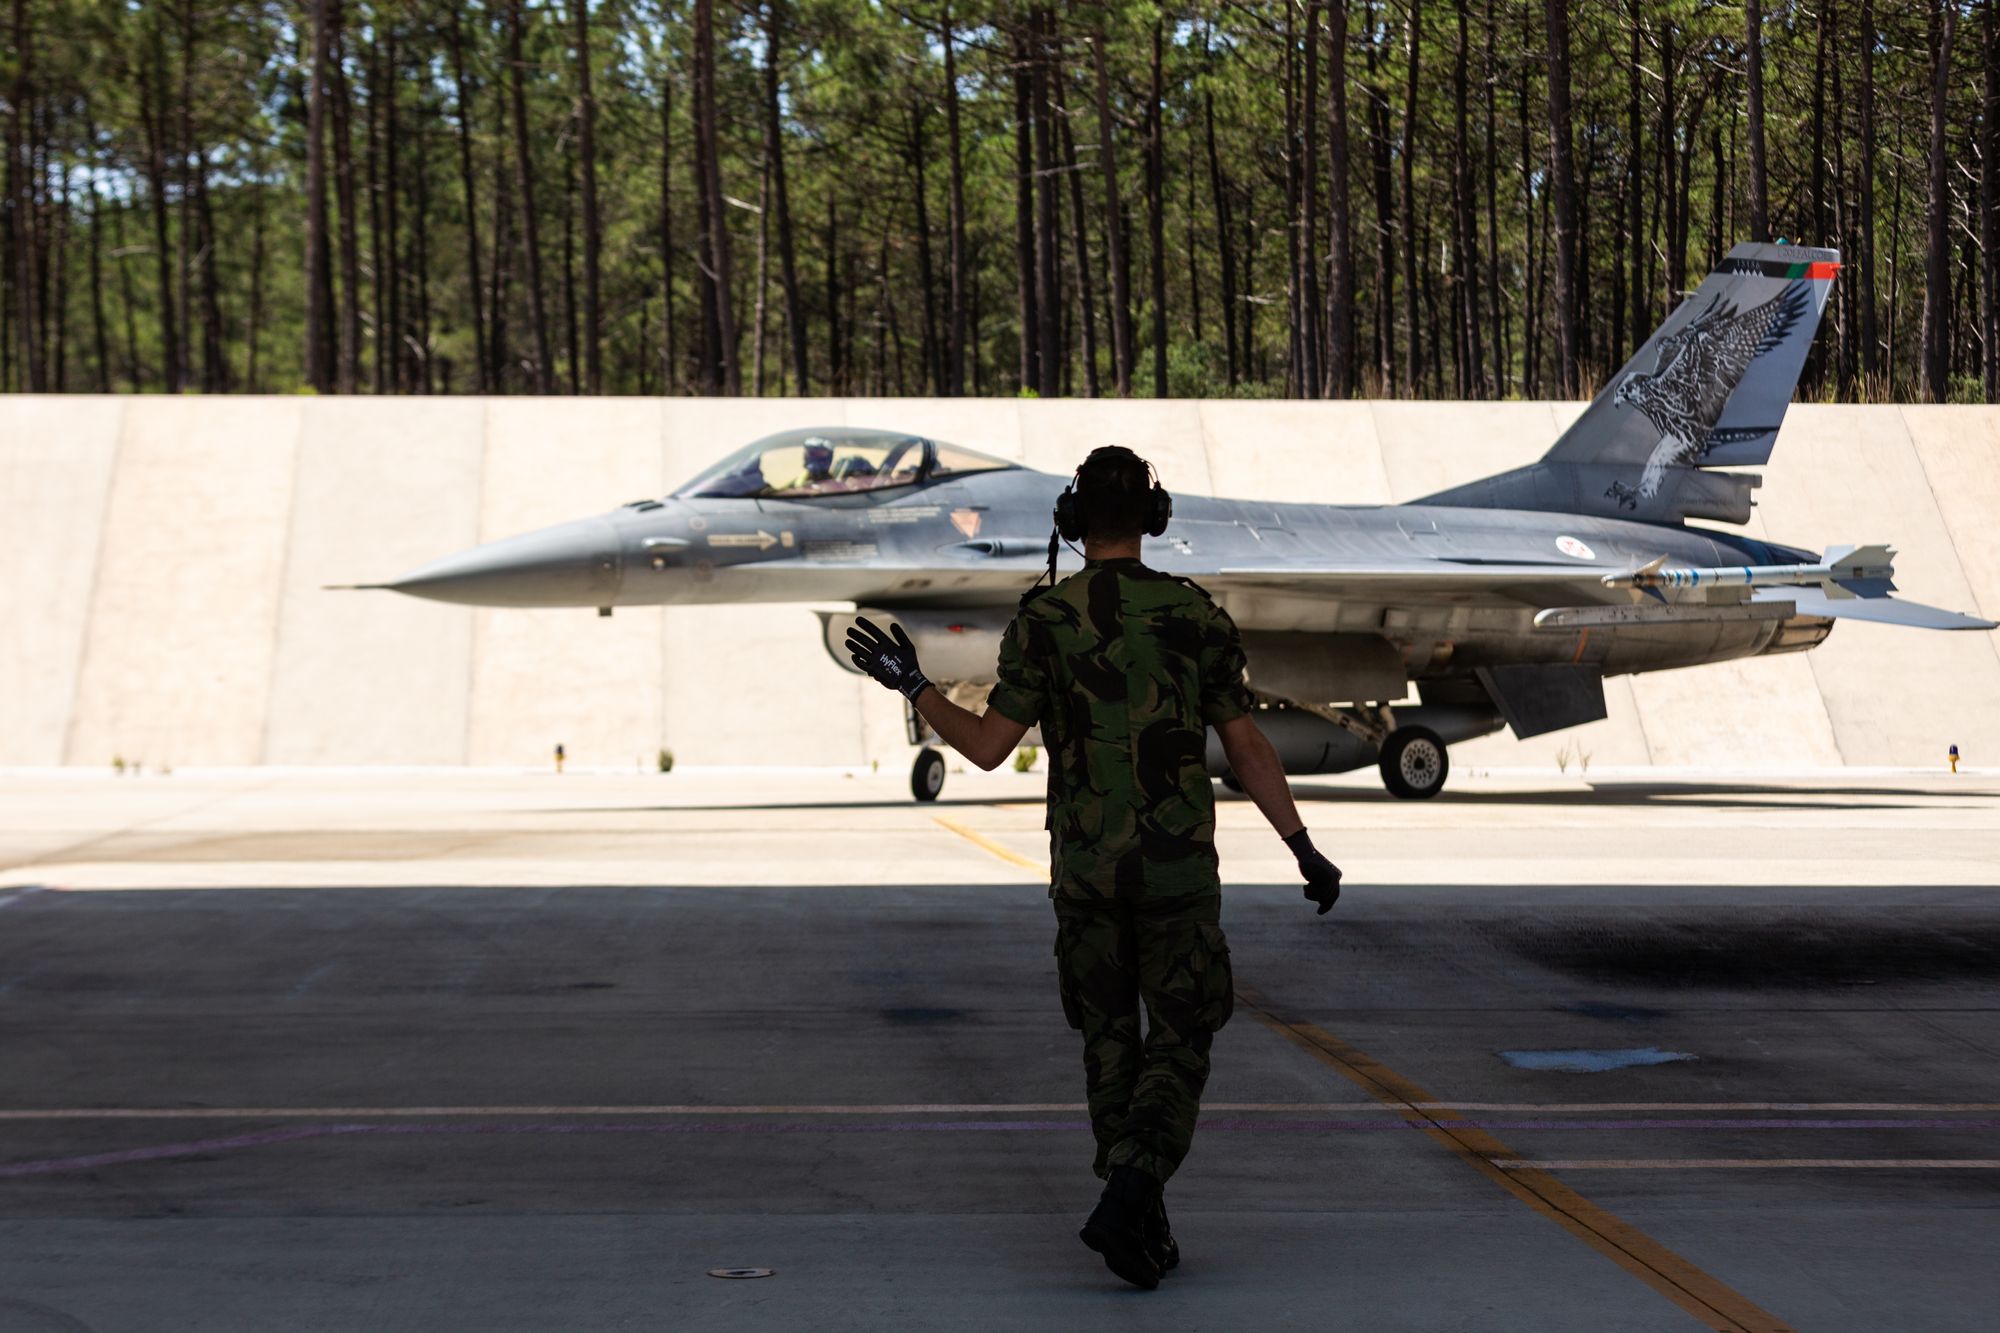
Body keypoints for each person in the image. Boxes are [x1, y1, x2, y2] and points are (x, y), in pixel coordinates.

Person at [845, 445, 1342, 1291]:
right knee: (1181, 1040)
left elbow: (989, 747)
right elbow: (1246, 744)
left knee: (1111, 1049)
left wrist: (913, 685)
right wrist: (1301, 845)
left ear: (1073, 522)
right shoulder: (1194, 616)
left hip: (1086, 876)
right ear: (1154, 517)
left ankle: (1136, 1216)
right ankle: (1136, 1193)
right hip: (1176, 876)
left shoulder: (1044, 621)